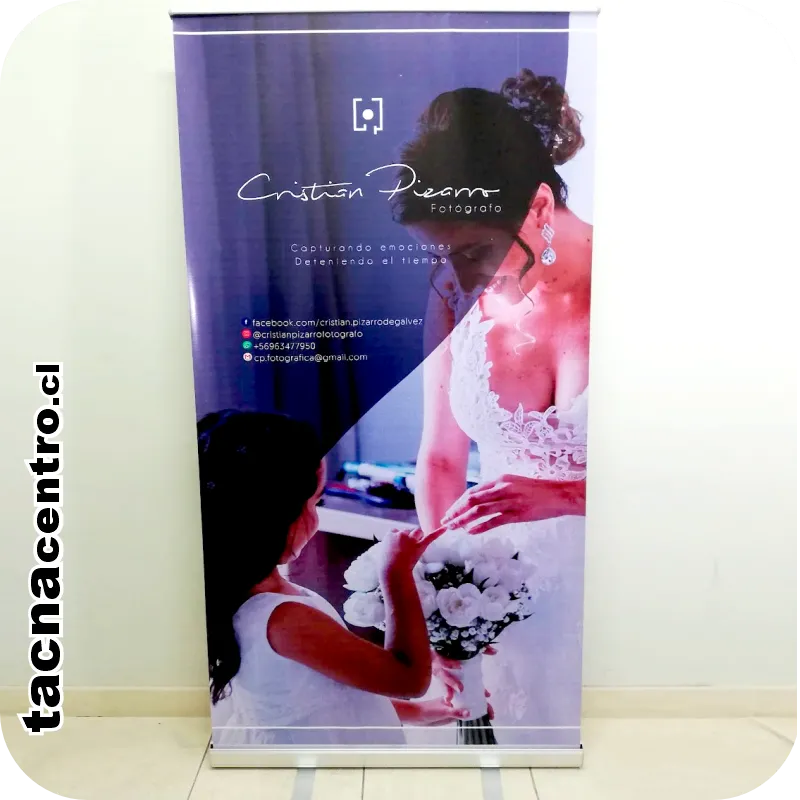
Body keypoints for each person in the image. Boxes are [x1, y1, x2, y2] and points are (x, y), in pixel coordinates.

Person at [394, 70, 591, 746]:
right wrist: (445, 596)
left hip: (613, 590)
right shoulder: (453, 291)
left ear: (538, 207)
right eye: (444, 253)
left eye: (476, 250)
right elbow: (440, 460)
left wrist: (568, 494)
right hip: (490, 597)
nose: (460, 274)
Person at [198, 409, 465, 747]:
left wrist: (417, 712)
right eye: (315, 503)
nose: (317, 515)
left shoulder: (250, 594)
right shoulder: (284, 619)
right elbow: (408, 678)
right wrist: (396, 572)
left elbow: (325, 692)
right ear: (273, 517)